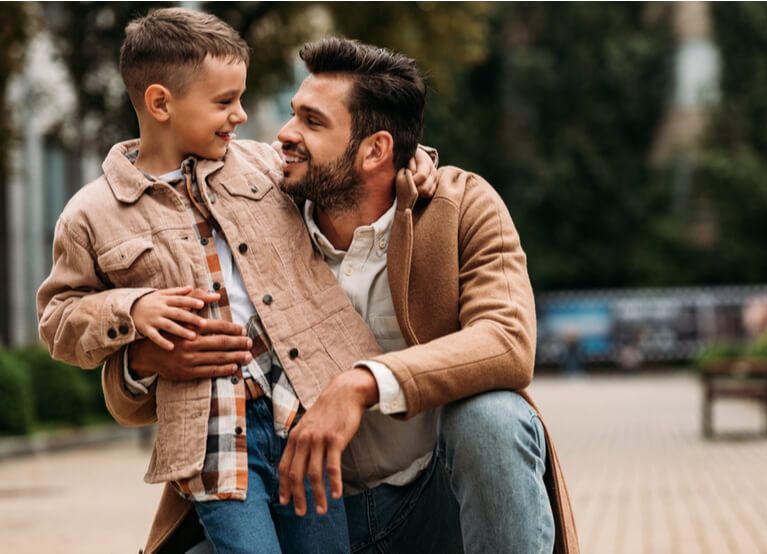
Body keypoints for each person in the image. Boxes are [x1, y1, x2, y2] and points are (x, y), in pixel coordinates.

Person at [103, 36, 579, 553]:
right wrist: (145, 359)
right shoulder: (248, 210)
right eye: (292, 115)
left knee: (492, 420)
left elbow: (507, 340)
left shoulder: (460, 206)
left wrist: (362, 383)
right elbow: (130, 400)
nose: (284, 135)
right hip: (294, 514)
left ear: (376, 150)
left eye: (312, 121)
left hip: (431, 504)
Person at [36, 9, 437, 554]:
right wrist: (132, 310)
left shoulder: (262, 166)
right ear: (161, 104)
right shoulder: (92, 213)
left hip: (300, 409)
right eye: (224, 102)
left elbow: (353, 158)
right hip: (213, 431)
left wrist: (418, 162)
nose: (242, 115)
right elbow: (57, 318)